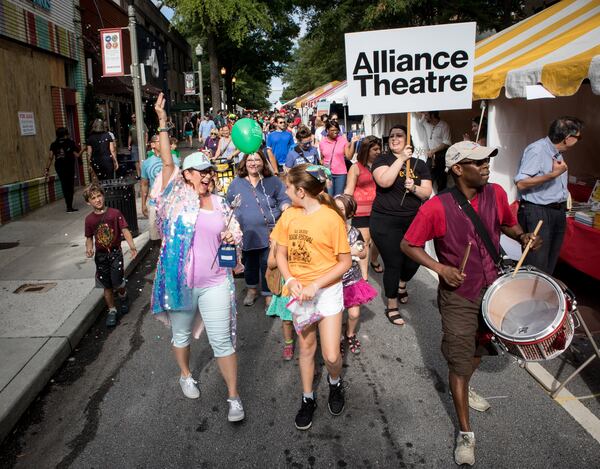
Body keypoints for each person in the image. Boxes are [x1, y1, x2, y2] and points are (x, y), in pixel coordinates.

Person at [400, 141, 541, 466]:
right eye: (477, 162)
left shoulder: (495, 194)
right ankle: (466, 433)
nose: (486, 166)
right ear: (458, 169)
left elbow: (505, 223)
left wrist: (522, 237)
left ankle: (461, 375)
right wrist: (440, 268)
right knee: (461, 362)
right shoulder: (436, 206)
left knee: (477, 352)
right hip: (458, 297)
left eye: (487, 160)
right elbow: (409, 244)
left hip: (493, 290)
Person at [150, 93, 245, 422]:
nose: (206, 175)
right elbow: (165, 162)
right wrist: (162, 121)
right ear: (186, 175)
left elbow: (235, 235)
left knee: (223, 340)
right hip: (180, 284)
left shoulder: (220, 203)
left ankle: (233, 397)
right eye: (199, 171)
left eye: (209, 171)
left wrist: (235, 238)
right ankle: (186, 374)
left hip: (216, 282)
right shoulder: (175, 199)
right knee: (180, 336)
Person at [271, 164, 352, 431]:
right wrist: (291, 280)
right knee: (306, 348)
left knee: (330, 355)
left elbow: (344, 262)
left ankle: (334, 382)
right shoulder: (289, 217)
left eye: (288, 188)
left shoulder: (331, 219)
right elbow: (281, 254)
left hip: (326, 290)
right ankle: (308, 398)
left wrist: (316, 284)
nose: (285, 192)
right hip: (299, 293)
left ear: (302, 191)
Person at [370, 126, 432, 326]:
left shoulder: (420, 164)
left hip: (413, 220)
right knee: (394, 263)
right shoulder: (382, 160)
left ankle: (403, 284)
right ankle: (392, 304)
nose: (394, 138)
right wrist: (401, 159)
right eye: (392, 135)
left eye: (399, 135)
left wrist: (413, 187)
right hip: (385, 221)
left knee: (414, 261)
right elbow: (385, 181)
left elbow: (426, 193)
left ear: (408, 140)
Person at [515, 116, 583, 275]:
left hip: (556, 211)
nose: (579, 141)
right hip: (538, 212)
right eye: (578, 137)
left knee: (549, 264)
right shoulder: (538, 150)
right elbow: (521, 183)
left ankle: (541, 297)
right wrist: (553, 175)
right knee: (536, 264)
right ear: (568, 138)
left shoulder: (556, 151)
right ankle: (528, 298)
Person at [226, 151, 290, 307]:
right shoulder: (236, 183)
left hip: (270, 232)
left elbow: (284, 198)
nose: (253, 163)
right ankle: (252, 289)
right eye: (250, 160)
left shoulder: (273, 181)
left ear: (263, 162)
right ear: (244, 163)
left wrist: (286, 206)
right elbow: (228, 205)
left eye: (257, 159)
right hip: (246, 233)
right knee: (249, 264)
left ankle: (268, 294)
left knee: (268, 264)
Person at [84, 183, 137, 327]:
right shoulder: (89, 220)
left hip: (115, 254)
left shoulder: (115, 213)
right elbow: (89, 237)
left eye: (99, 196)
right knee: (106, 285)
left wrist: (132, 246)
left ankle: (123, 295)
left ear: (103, 196)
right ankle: (112, 310)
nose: (97, 200)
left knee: (117, 282)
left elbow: (125, 230)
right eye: (93, 198)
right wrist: (89, 249)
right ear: (89, 202)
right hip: (101, 257)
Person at [334, 194, 377, 355]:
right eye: (334, 207)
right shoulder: (326, 230)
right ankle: (336, 338)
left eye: (341, 209)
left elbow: (363, 252)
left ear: (349, 213)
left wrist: (358, 251)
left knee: (354, 313)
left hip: (352, 280)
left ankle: (350, 334)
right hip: (332, 281)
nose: (336, 211)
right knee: (335, 315)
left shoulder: (354, 232)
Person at [344, 135, 382, 278]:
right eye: (375, 149)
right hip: (361, 211)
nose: (378, 152)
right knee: (364, 242)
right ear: (366, 150)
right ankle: (364, 276)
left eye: (379, 149)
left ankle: (373, 259)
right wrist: (343, 205)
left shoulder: (383, 165)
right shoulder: (355, 167)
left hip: (379, 209)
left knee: (378, 240)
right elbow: (349, 189)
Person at [141, 135, 181, 241]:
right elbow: (144, 184)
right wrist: (143, 204)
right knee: (156, 237)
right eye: (160, 141)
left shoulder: (175, 160)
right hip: (155, 204)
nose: (165, 143)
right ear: (153, 144)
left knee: (172, 235)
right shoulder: (146, 163)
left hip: (172, 203)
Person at [265, 240, 295, 360]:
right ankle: (288, 343)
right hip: (286, 288)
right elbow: (270, 263)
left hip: (304, 283)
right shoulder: (279, 239)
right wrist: (283, 256)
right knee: (287, 320)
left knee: (305, 320)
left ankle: (307, 346)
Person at [45, 127, 82, 212]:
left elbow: (50, 157)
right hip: (69, 167)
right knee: (70, 186)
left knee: (64, 185)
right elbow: (77, 155)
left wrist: (47, 169)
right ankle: (69, 206)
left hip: (59, 167)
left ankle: (68, 205)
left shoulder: (53, 144)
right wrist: (83, 149)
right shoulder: (70, 143)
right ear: (65, 134)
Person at [319, 121, 358, 196]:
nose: (335, 132)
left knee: (338, 197)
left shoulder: (342, 140)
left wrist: (353, 143)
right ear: (327, 131)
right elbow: (322, 158)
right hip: (328, 174)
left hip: (341, 174)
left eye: (337, 130)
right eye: (332, 130)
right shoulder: (322, 143)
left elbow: (349, 156)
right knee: (329, 196)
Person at [418, 111, 452, 191]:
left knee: (441, 180)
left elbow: (446, 142)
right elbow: (419, 116)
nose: (425, 116)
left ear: (432, 115)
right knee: (427, 177)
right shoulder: (426, 123)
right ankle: (427, 198)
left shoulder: (444, 125)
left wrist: (434, 151)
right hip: (431, 156)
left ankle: (441, 200)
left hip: (441, 155)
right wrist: (424, 112)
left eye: (426, 115)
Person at [127, 113, 148, 179]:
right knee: (136, 160)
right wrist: (129, 145)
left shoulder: (142, 125)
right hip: (134, 145)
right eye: (132, 117)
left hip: (141, 145)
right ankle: (139, 175)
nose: (133, 119)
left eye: (134, 117)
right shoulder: (131, 126)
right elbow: (130, 136)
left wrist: (145, 143)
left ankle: (144, 174)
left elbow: (146, 134)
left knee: (143, 159)